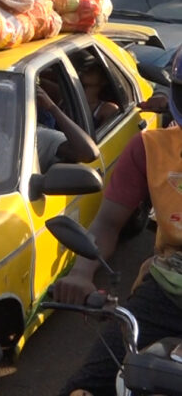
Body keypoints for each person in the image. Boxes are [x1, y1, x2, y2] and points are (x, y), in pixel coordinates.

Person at [51, 46, 182, 396]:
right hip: (167, 290)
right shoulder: (149, 148)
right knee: (87, 386)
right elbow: (107, 224)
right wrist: (81, 274)